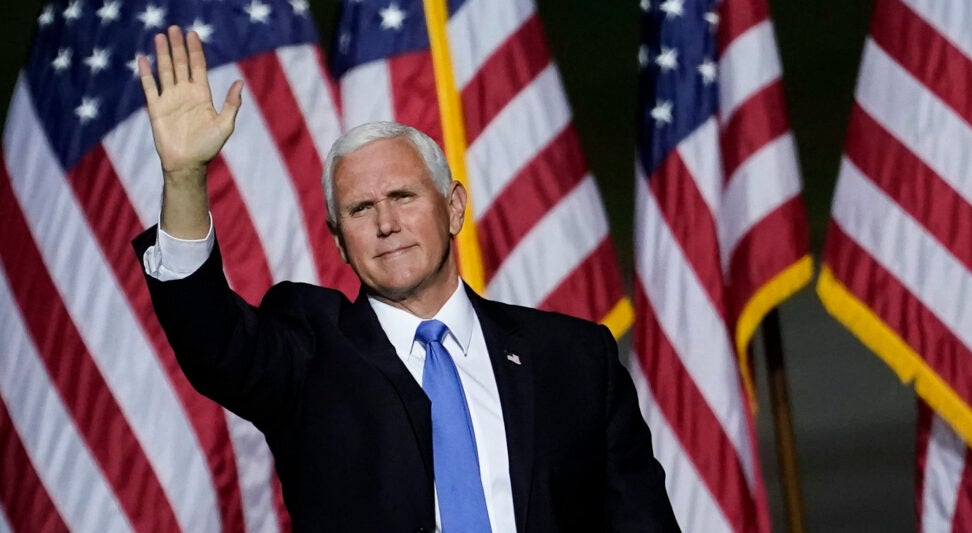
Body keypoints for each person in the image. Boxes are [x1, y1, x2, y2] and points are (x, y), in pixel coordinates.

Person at [133, 26, 678, 532]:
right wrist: (184, 178)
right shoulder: (309, 354)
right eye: (361, 209)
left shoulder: (575, 358)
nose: (386, 223)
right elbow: (210, 337)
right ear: (340, 239)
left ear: (454, 208)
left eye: (402, 197)